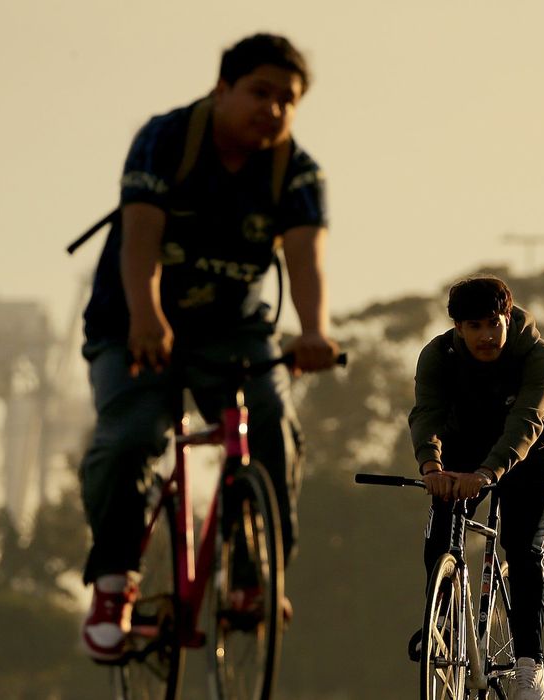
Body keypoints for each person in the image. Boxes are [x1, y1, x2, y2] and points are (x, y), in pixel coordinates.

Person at [78, 32, 339, 661]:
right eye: (260, 92)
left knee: (272, 422)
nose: (273, 109)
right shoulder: (165, 140)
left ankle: (255, 574)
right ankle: (114, 584)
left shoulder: (296, 171)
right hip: (134, 319)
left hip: (235, 329)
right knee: (133, 436)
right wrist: (146, 317)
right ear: (221, 89)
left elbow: (305, 257)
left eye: (288, 100)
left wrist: (312, 330)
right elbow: (140, 239)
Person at [408, 276, 544, 700]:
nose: (486, 335)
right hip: (463, 454)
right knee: (442, 532)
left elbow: (527, 420)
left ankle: (530, 666)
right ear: (458, 328)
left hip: (532, 455)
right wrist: (431, 466)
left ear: (508, 318)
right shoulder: (437, 357)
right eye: (473, 326)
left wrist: (490, 473)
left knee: (522, 547)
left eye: (493, 323)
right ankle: (442, 624)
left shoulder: (537, 355)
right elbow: (427, 414)